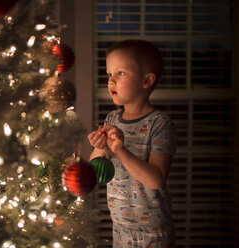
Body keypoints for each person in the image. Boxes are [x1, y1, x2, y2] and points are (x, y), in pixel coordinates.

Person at [87, 40, 177, 248]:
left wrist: (120, 150)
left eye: (120, 73)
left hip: (153, 232)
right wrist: (100, 147)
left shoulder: (160, 123)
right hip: (120, 227)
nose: (111, 81)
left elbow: (156, 180)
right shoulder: (111, 119)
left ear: (146, 81)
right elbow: (96, 170)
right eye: (109, 74)